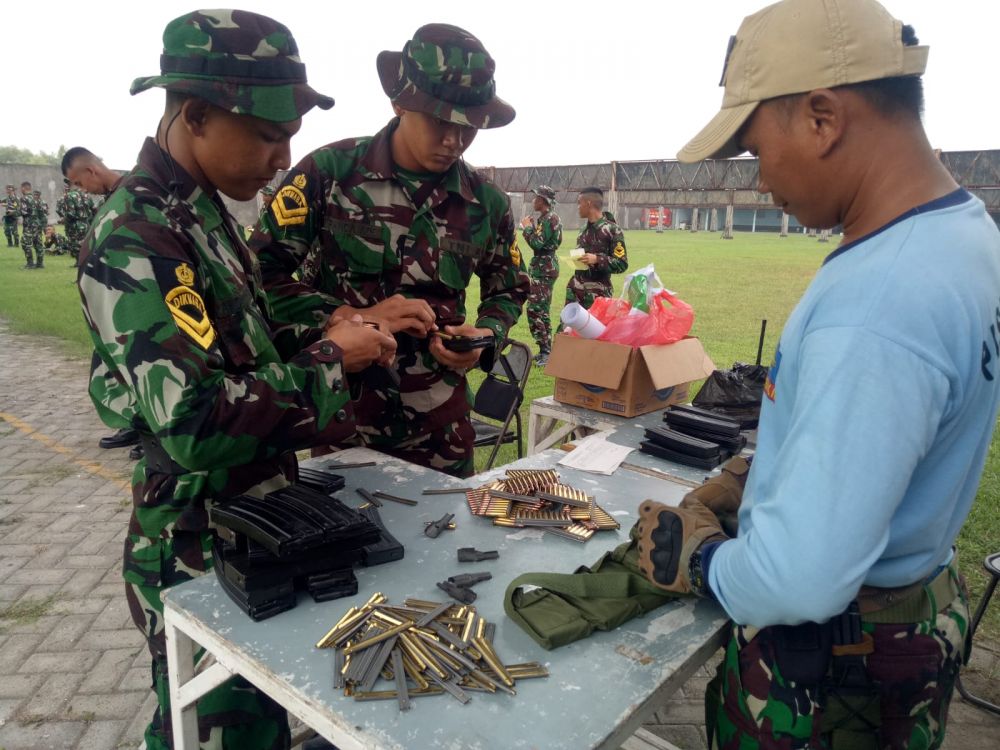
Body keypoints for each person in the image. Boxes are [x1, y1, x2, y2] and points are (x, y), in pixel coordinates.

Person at [636, 0, 1000, 747]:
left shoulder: (879, 298)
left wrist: (698, 557)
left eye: (755, 148)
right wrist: (765, 476)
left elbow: (797, 581)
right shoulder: (964, 234)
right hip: (912, 613)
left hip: (830, 675)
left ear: (822, 118)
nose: (760, 180)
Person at [76, 10, 395, 749]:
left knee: (260, 721)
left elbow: (240, 340)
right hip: (193, 538)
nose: (284, 157)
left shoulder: (202, 215)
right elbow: (191, 421)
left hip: (252, 518)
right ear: (195, 115)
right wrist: (329, 363)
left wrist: (340, 327)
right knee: (219, 729)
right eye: (267, 133)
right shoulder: (139, 235)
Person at [252, 23, 530, 479]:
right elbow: (260, 276)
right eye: (441, 121)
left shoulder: (487, 202)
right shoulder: (329, 174)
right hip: (344, 423)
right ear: (400, 102)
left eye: (469, 126)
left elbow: (511, 289)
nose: (454, 141)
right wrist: (342, 315)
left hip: (441, 428)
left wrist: (482, 339)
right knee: (349, 545)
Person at [520, 185, 562, 365]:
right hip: (543, 267)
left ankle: (546, 351)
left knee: (535, 309)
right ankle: (545, 350)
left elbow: (537, 243)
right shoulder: (547, 218)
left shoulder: (549, 219)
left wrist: (527, 228)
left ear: (543, 201)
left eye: (536, 198)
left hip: (544, 268)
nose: (533, 201)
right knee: (541, 310)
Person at [565, 186, 627, 308]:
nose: (578, 207)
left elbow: (622, 264)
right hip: (576, 293)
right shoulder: (583, 230)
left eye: (579, 203)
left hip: (597, 297)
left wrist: (597, 259)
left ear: (588, 203)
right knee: (567, 327)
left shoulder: (613, 230)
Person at [19, 183, 43, 269]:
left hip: (29, 225)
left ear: (23, 188)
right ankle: (40, 263)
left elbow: (23, 212)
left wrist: (14, 212)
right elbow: (42, 212)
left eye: (21, 188)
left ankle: (30, 264)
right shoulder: (36, 199)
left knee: (26, 243)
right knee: (38, 243)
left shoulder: (24, 198)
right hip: (37, 224)